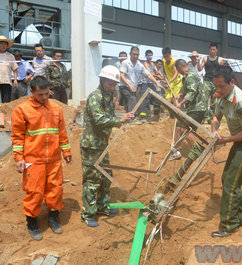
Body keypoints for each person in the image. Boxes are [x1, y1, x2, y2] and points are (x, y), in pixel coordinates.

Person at [11, 76, 72, 240]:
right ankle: (32, 222)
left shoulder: (56, 109)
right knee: (34, 192)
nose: (44, 98)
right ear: (32, 92)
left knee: (55, 190)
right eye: (40, 95)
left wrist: (66, 151)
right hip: (34, 160)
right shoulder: (22, 110)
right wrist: (19, 158)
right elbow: (17, 137)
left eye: (47, 94)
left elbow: (62, 133)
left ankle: (53, 218)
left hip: (54, 159)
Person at [210, 65, 242, 238]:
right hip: (240, 140)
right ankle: (241, 218)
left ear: (232, 82)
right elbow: (216, 117)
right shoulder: (221, 95)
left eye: (221, 86)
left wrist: (224, 140)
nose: (218, 90)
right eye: (216, 86)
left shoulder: (240, 101)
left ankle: (227, 225)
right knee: (227, 178)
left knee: (231, 181)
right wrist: (214, 130)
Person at [80, 65, 134, 227]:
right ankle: (88, 213)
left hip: (102, 144)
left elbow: (109, 117)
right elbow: (100, 120)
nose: (113, 87)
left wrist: (120, 120)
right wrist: (119, 120)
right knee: (92, 180)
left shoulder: (108, 97)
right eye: (110, 84)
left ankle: (102, 207)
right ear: (102, 81)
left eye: (114, 84)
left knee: (105, 177)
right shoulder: (95, 97)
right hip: (91, 146)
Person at [166, 59, 208, 171]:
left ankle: (198, 152)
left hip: (197, 109)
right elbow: (186, 89)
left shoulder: (190, 76)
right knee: (180, 127)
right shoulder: (186, 77)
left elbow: (192, 92)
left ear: (180, 67)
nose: (177, 72)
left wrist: (180, 103)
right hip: (194, 109)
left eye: (177, 70)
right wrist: (179, 94)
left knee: (184, 128)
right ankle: (177, 151)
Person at [119, 46, 162, 117]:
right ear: (130, 54)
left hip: (135, 87)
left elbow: (148, 75)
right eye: (134, 54)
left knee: (138, 100)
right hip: (125, 86)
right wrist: (129, 85)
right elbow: (122, 75)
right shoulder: (125, 63)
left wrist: (157, 83)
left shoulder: (140, 65)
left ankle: (131, 115)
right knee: (132, 99)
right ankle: (131, 118)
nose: (135, 56)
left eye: (137, 55)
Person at [198, 42, 224, 123]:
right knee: (204, 100)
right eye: (211, 49)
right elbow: (199, 69)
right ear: (209, 50)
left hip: (216, 83)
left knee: (214, 102)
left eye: (214, 49)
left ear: (217, 50)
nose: (212, 51)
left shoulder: (220, 60)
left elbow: (222, 72)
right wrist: (198, 61)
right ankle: (202, 118)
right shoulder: (205, 59)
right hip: (207, 81)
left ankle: (210, 119)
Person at [143, 49, 163, 121]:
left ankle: (156, 116)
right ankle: (144, 117)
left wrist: (159, 74)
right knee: (146, 99)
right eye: (148, 56)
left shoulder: (152, 64)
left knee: (156, 99)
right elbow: (149, 73)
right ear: (146, 56)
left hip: (152, 83)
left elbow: (156, 71)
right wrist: (157, 75)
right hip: (146, 83)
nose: (149, 57)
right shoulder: (145, 64)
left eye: (151, 56)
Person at [0, 35, 18, 103]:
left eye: (5, 44)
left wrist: (15, 80)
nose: (3, 45)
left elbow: (15, 68)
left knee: (6, 101)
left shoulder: (10, 56)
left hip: (6, 81)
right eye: (1, 44)